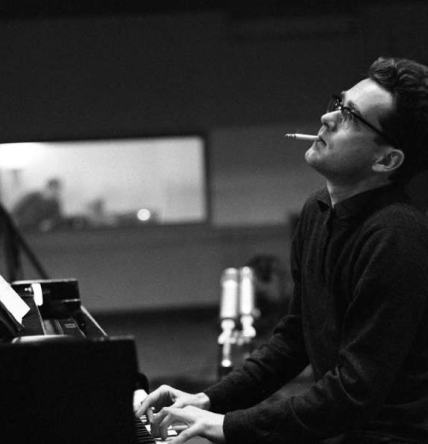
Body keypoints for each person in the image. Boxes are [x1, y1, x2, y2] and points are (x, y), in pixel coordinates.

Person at [137, 57, 428, 443]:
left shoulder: (397, 236)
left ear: (387, 160)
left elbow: (354, 392)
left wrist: (227, 425)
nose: (328, 118)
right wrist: (208, 400)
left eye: (351, 117)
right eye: (339, 104)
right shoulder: (318, 210)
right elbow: (295, 339)